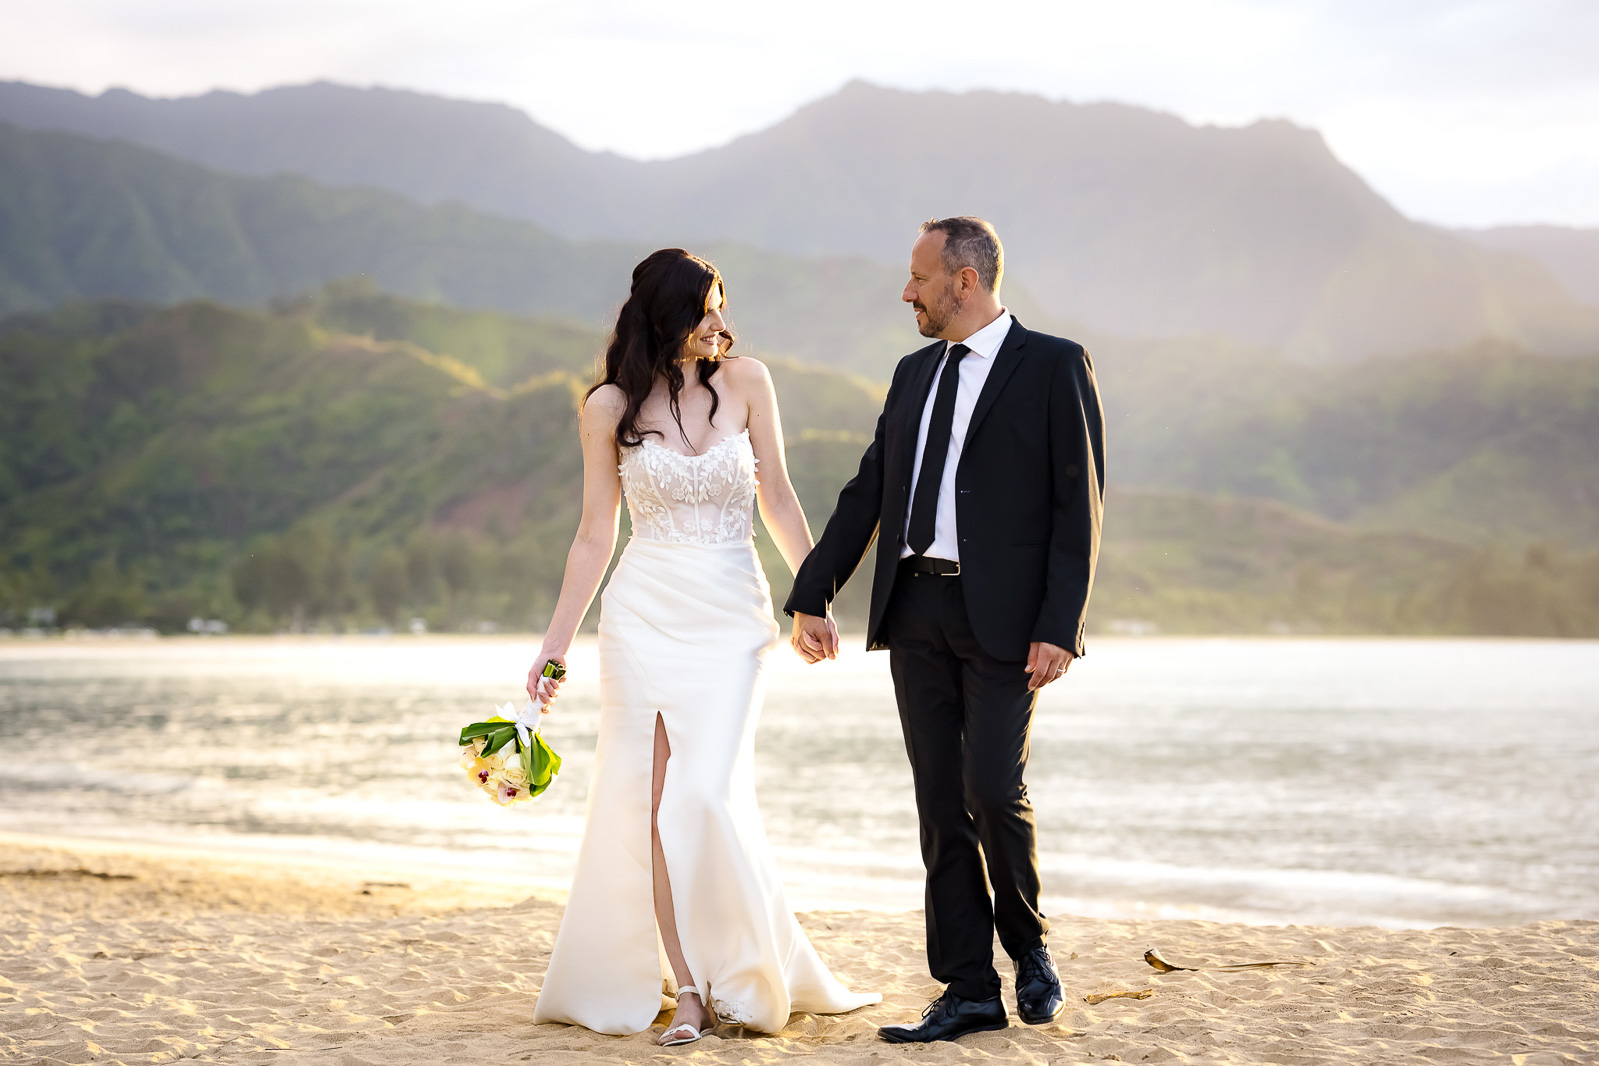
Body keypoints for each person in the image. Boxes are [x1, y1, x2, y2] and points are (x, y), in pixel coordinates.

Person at [526, 249, 879, 1045]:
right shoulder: (608, 407)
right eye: (705, 309)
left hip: (732, 619)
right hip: (642, 614)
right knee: (653, 808)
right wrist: (554, 650)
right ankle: (688, 987)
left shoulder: (748, 381)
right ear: (664, 316)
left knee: (706, 795)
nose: (721, 323)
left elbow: (779, 496)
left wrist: (810, 594)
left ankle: (743, 970)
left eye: (723, 306)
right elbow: (593, 535)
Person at [785, 217, 1105, 1044]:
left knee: (993, 791)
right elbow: (870, 490)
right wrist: (812, 591)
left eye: (918, 276)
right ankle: (967, 987)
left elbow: (1079, 506)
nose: (907, 291)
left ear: (964, 280)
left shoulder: (1053, 365)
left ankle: (1028, 947)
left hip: (1004, 619)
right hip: (915, 609)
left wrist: (1060, 625)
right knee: (939, 808)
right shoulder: (912, 373)